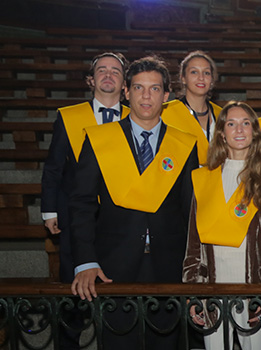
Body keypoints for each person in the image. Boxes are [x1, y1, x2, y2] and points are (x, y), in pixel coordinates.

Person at [68, 56, 199, 348]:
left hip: (170, 265)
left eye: (154, 89)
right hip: (113, 263)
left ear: (166, 96)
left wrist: (195, 269)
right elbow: (82, 204)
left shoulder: (183, 144)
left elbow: (191, 210)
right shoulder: (101, 139)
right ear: (126, 92)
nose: (146, 96)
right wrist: (85, 261)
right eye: (138, 88)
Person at [40, 51, 128, 350]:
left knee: (117, 289)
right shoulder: (69, 116)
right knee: (73, 290)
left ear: (124, 82)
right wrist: (49, 210)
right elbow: (53, 167)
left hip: (119, 216)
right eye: (101, 70)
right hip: (75, 215)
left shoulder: (138, 117)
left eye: (115, 71)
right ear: (91, 80)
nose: (108, 75)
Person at [183, 102, 261, 349]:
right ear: (221, 132)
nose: (239, 130)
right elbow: (193, 243)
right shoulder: (202, 177)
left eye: (246, 123)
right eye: (231, 123)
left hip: (255, 285)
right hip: (212, 285)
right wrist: (191, 291)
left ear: (254, 131)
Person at [162, 50, 223, 165]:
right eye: (194, 72)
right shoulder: (165, 112)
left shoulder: (222, 115)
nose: (201, 78)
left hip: (217, 181)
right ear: (183, 78)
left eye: (206, 73)